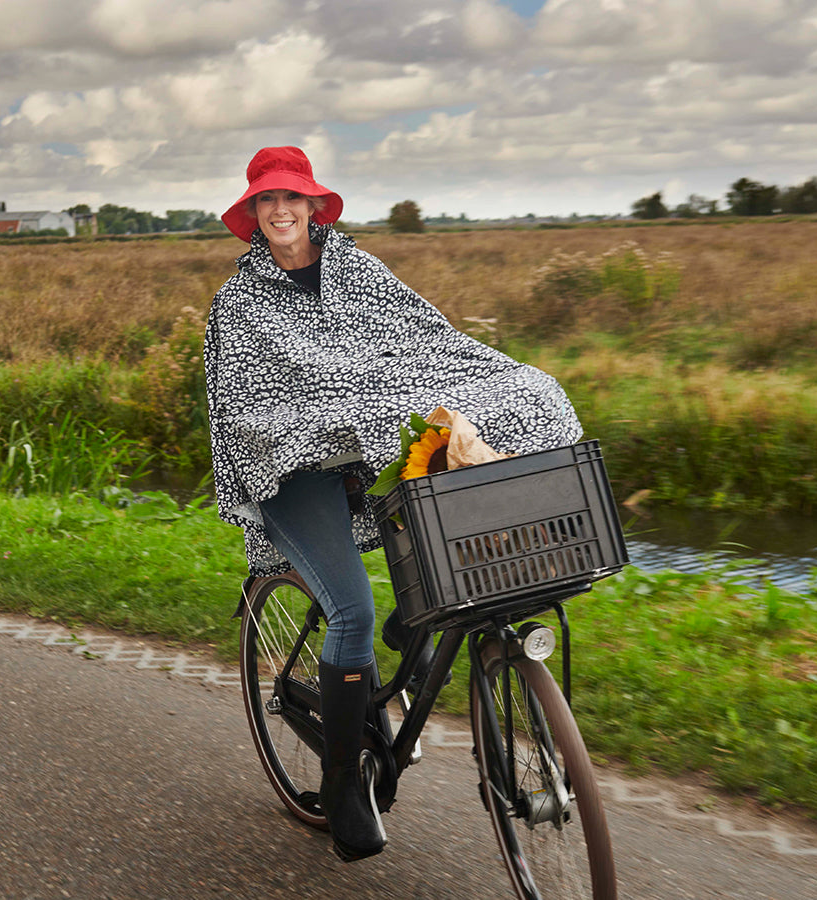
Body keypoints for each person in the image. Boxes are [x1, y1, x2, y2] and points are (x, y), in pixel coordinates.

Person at [203, 146, 581, 862]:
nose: (282, 212)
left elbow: (428, 343)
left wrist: (478, 393)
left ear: (315, 207)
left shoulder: (357, 270)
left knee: (447, 508)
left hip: (370, 452)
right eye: (267, 201)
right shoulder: (240, 302)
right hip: (289, 468)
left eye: (294, 198)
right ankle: (345, 780)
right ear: (253, 213)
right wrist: (339, 420)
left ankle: (418, 631)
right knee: (351, 612)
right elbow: (245, 410)